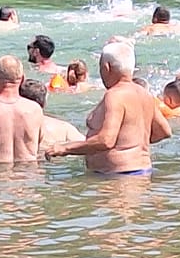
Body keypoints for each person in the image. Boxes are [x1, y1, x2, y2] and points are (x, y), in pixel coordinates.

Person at [47, 42, 170, 176]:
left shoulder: (114, 95)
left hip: (118, 177)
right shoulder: (144, 94)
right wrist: (132, 144)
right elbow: (164, 131)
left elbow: (106, 140)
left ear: (106, 67)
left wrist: (65, 148)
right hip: (141, 171)